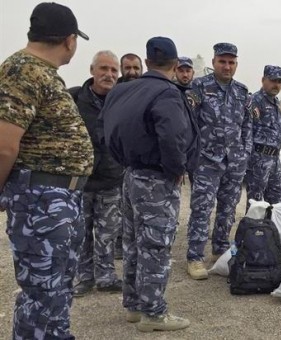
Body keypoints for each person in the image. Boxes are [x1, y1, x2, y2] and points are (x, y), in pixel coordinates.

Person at [0, 3, 92, 339]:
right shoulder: (22, 70)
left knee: (55, 293)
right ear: (70, 40)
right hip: (41, 201)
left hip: (57, 200)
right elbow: (4, 144)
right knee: (42, 296)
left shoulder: (38, 72)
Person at [99, 36, 199, 332]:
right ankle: (153, 313)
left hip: (130, 175)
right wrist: (176, 170)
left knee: (132, 243)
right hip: (157, 179)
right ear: (175, 63)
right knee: (155, 245)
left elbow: (107, 130)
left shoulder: (123, 91)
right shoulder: (166, 93)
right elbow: (172, 137)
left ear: (147, 61)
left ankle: (133, 305)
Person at [185, 42, 252, 280]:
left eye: (231, 62)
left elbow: (247, 126)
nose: (227, 66)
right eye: (222, 61)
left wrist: (244, 153)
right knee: (201, 209)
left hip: (234, 162)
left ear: (236, 64)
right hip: (206, 161)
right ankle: (194, 256)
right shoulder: (199, 87)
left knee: (227, 209)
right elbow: (188, 123)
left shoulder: (242, 92)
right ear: (213, 62)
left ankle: (221, 249)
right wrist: (191, 156)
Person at [70, 50, 125, 297]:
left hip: (112, 179)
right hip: (80, 181)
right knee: (81, 233)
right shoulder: (73, 98)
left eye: (114, 70)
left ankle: (106, 276)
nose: (109, 74)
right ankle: (84, 277)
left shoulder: (121, 101)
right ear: (92, 71)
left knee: (108, 232)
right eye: (104, 69)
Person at [114, 52, 144, 260]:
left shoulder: (147, 91)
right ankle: (119, 244)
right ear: (121, 69)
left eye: (136, 68)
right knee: (117, 206)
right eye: (128, 68)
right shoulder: (114, 92)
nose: (132, 72)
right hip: (115, 161)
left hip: (138, 161)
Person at [244, 65, 281, 210]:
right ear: (263, 80)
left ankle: (272, 230)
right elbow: (247, 130)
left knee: (278, 200)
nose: (276, 85)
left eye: (279, 81)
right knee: (255, 202)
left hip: (275, 160)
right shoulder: (255, 101)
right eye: (273, 80)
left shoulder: (276, 103)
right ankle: (252, 230)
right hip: (259, 160)